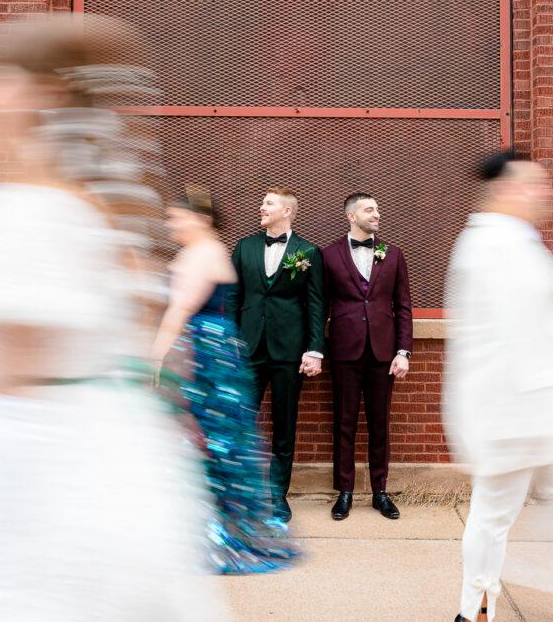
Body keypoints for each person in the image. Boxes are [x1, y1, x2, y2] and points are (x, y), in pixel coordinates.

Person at [0, 15, 226, 620]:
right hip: (72, 438)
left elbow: (3, 353)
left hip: (43, 461)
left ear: (38, 93)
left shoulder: (34, 206)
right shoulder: (66, 204)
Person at [443, 150, 553, 622]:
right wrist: (541, 422)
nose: (545, 192)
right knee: (494, 516)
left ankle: (478, 607)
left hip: (527, 410)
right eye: (534, 184)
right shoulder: (496, 246)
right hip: (515, 411)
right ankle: (476, 611)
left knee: (500, 515)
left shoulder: (509, 241)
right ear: (507, 189)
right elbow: (511, 341)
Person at [151, 188, 301, 574]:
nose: (172, 224)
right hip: (203, 354)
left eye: (178, 217)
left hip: (205, 360)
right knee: (199, 442)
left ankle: (217, 536)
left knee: (210, 443)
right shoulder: (198, 251)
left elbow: (181, 309)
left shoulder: (204, 253)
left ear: (201, 219)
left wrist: (156, 358)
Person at [224, 188, 326, 522]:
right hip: (249, 348)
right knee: (241, 421)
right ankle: (238, 493)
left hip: (289, 352)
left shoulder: (308, 251)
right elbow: (231, 300)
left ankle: (277, 496)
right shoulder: (244, 247)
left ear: (287, 210)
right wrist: (230, 342)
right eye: (262, 201)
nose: (261, 206)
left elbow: (316, 304)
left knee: (284, 426)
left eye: (267, 203)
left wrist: (314, 349)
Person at [321, 193, 413, 520]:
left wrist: (403, 351)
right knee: (344, 422)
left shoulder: (394, 254)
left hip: (384, 352)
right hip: (345, 350)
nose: (377, 214)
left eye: (377, 208)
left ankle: (380, 492)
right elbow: (319, 307)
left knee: (380, 424)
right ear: (351, 215)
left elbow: (402, 306)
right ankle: (344, 491)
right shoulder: (328, 255)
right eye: (369, 209)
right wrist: (316, 348)